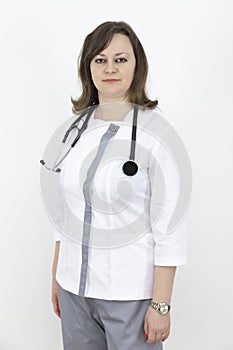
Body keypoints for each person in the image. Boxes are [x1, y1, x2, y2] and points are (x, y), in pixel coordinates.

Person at [51, 20, 188, 350]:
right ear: (89, 68)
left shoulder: (158, 135)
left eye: (120, 59)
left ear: (137, 65)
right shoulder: (73, 131)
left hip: (129, 296)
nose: (110, 67)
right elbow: (63, 214)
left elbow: (170, 227)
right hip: (74, 292)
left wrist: (161, 305)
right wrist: (57, 277)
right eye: (100, 59)